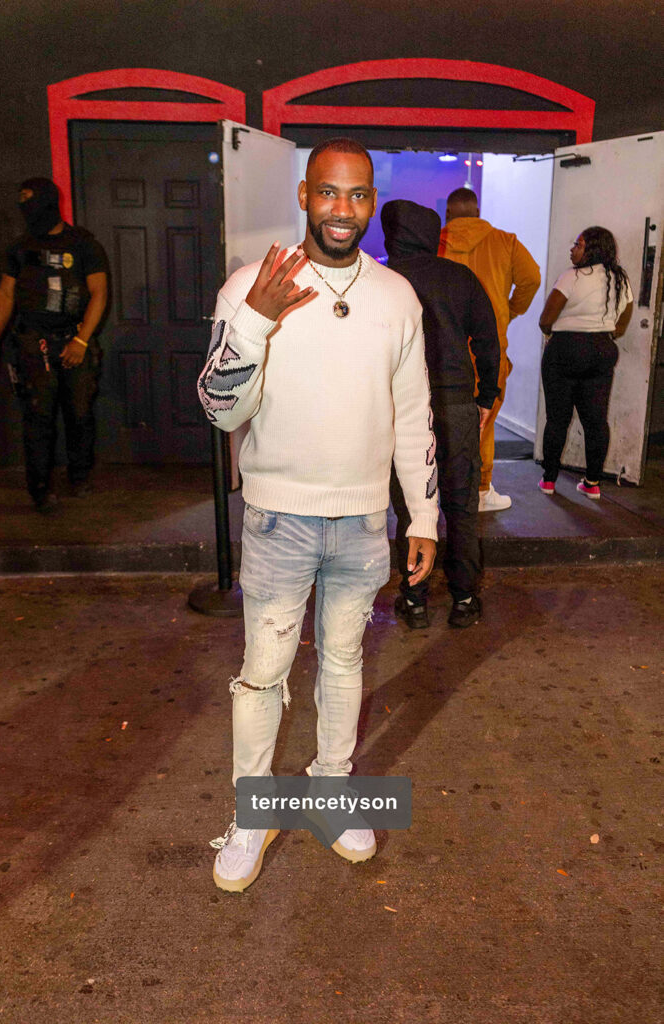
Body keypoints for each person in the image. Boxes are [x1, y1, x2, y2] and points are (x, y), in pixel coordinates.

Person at [197, 139, 437, 892]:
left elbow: (413, 414)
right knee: (262, 674)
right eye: (329, 192)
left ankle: (332, 791)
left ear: (372, 203)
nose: (343, 208)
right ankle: (254, 814)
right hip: (278, 519)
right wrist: (255, 322)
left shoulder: (396, 296)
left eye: (357, 194)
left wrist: (422, 515)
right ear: (304, 195)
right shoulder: (251, 286)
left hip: (363, 521)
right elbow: (218, 408)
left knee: (343, 661)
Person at [382, 199, 500, 629]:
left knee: (411, 508)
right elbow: (487, 341)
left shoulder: (382, 281)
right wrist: (486, 396)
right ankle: (464, 598)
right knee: (462, 507)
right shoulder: (460, 277)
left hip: (401, 409)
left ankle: (414, 601)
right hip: (455, 406)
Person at [0, 178, 107, 512]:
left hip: (75, 338)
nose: (25, 207)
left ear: (49, 202)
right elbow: (5, 294)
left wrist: (81, 340)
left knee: (79, 414)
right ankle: (40, 489)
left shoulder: (83, 244)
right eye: (21, 201)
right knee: (38, 418)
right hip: (33, 343)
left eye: (30, 200)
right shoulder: (21, 248)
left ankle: (79, 477)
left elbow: (99, 293)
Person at [439, 187, 541, 511]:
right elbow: (532, 279)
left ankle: (436, 489)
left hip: (441, 351)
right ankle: (481, 491)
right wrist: (509, 311)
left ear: (448, 214)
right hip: (490, 350)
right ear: (478, 212)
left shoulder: (435, 243)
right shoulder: (505, 242)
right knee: (483, 421)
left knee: (436, 420)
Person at [538, 226, 633, 499]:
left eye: (578, 244)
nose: (572, 249)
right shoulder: (619, 279)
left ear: (592, 249)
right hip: (601, 350)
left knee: (557, 419)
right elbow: (621, 323)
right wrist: (602, 334)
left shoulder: (572, 277)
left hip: (565, 350)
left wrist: (555, 335)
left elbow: (545, 319)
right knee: (596, 421)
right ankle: (592, 483)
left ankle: (549, 480)